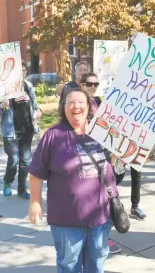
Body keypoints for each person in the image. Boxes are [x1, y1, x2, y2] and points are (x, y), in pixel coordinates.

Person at [28, 88, 117, 273]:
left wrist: (122, 158)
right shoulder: (53, 135)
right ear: (64, 107)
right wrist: (35, 202)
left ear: (89, 106)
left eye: (81, 102)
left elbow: (113, 168)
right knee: (69, 266)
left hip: (101, 216)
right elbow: (36, 173)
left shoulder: (103, 132)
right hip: (67, 219)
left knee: (97, 264)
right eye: (71, 102)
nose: (76, 106)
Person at [80, 72, 145, 254]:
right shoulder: (77, 104)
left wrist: (120, 152)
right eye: (89, 84)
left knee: (105, 197)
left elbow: (112, 127)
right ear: (81, 84)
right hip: (87, 159)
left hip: (106, 157)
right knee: (98, 200)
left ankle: (98, 237)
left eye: (95, 84)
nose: (93, 87)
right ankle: (100, 239)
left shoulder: (100, 102)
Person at [0, 60, 42, 199]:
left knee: (25, 161)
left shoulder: (28, 86)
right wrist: (2, 105)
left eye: (24, 71)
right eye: (19, 71)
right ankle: (8, 182)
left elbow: (35, 105)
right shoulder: (4, 89)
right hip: (10, 132)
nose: (22, 73)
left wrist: (38, 111)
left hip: (27, 129)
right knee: (13, 159)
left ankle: (22, 189)